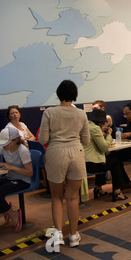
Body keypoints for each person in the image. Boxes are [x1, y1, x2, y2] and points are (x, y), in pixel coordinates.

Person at [38, 80, 90, 249]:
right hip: (76, 154)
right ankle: (74, 236)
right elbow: (86, 140)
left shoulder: (49, 112)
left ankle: (58, 234)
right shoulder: (81, 114)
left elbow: (43, 139)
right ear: (74, 95)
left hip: (55, 154)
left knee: (56, 197)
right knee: (73, 197)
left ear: (58, 93)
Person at [0, 126, 33, 233]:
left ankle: (12, 213)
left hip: (22, 181)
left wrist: (11, 167)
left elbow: (29, 172)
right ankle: (4, 208)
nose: (4, 146)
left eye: (6, 143)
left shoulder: (22, 151)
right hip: (9, 178)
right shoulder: (3, 147)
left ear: (15, 140)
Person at [84, 108, 131, 201]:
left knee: (108, 159)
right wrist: (109, 134)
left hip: (83, 160)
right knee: (115, 162)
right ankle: (117, 191)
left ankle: (98, 188)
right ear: (100, 122)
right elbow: (105, 147)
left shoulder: (86, 126)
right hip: (90, 163)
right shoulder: (95, 129)